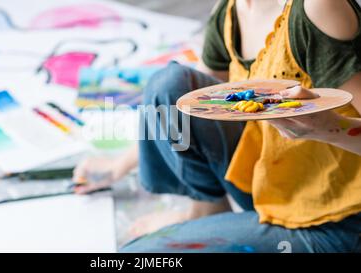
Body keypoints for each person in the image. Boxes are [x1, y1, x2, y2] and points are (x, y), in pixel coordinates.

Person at [74, 0, 361, 252]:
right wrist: (118, 165)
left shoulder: (318, 8)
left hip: (336, 221)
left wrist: (327, 128)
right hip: (274, 185)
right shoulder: (231, 10)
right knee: (170, 86)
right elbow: (187, 105)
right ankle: (206, 208)